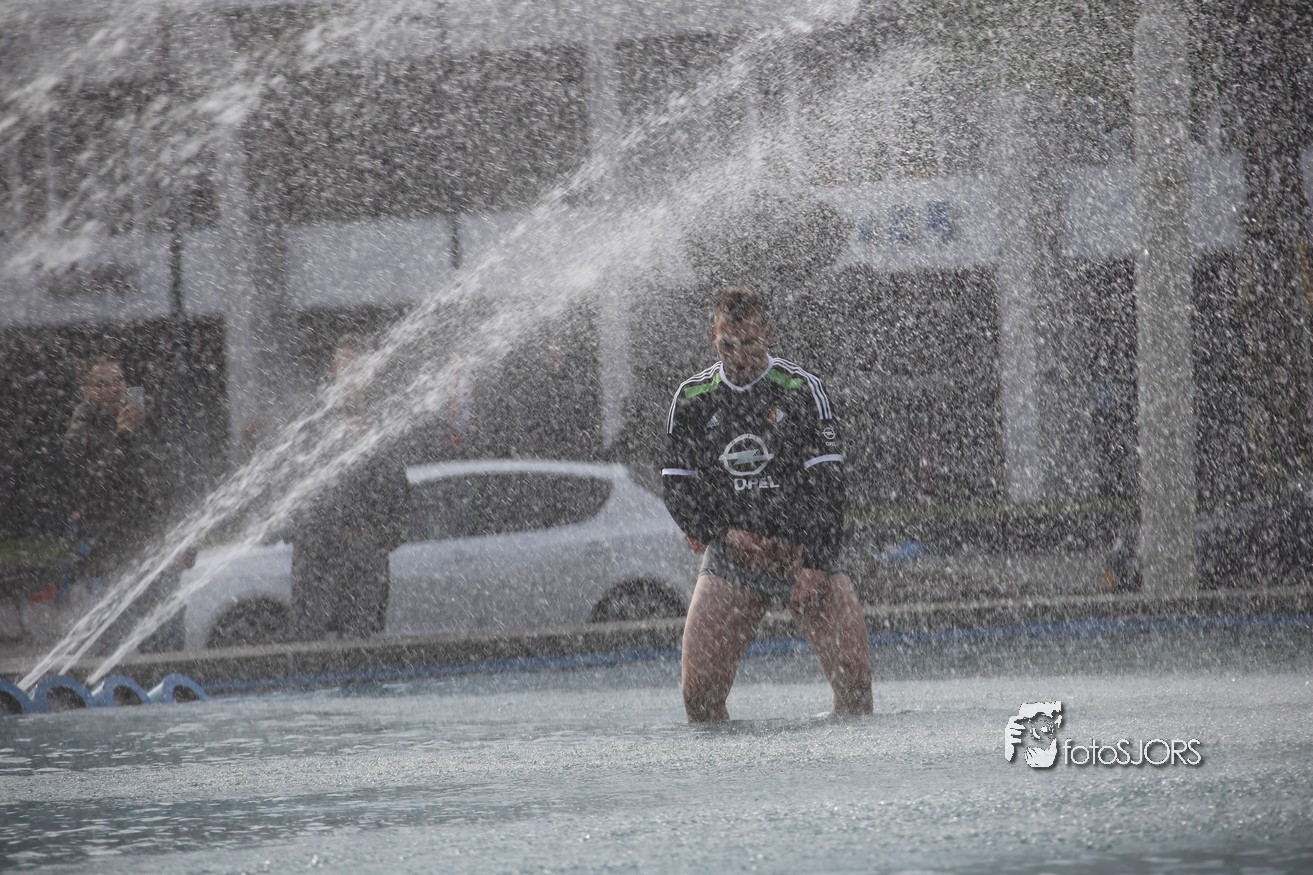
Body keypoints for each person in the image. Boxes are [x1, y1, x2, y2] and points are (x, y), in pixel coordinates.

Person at [663, 286, 872, 722]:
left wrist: (815, 562)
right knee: (698, 696)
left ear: (769, 335)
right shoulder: (692, 397)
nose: (739, 357)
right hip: (735, 555)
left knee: (854, 683)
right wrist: (717, 532)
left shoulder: (801, 388)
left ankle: (843, 759)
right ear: (713, 337)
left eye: (750, 343)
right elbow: (677, 486)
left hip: (801, 551)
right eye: (728, 345)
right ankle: (729, 764)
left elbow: (830, 486)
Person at [59, 353, 191, 653]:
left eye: (118, 380)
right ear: (87, 393)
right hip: (113, 562)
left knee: (168, 650)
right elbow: (96, 488)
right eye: (102, 384)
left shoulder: (149, 423)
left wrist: (187, 543)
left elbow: (172, 485)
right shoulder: (80, 435)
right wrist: (122, 439)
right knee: (113, 651)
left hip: (159, 557)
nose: (114, 389)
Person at [288, 333, 409, 641]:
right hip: (319, 557)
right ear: (334, 369)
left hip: (364, 554)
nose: (355, 374)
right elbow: (295, 486)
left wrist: (380, 540)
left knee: (359, 643)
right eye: (348, 366)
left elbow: (399, 492)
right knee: (311, 643)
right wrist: (336, 439)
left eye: (361, 367)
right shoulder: (313, 419)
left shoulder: (381, 421)